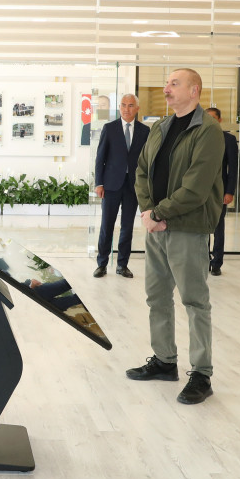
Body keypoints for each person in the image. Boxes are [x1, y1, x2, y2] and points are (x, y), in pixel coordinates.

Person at [129, 68, 225, 405]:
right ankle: (164, 361)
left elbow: (196, 187)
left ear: (194, 90)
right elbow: (142, 171)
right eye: (167, 83)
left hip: (187, 227)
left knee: (194, 301)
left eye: (174, 83)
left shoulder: (208, 131)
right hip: (156, 227)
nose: (166, 89)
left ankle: (201, 373)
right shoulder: (160, 127)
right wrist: (149, 212)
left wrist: (158, 214)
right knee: (156, 297)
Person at [92, 94, 149, 279]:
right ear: (119, 107)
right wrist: (99, 183)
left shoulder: (144, 131)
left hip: (133, 186)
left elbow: (147, 161)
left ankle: (122, 265)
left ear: (137, 108)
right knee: (106, 225)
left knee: (127, 227)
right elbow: (100, 158)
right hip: (110, 185)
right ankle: (102, 264)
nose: (126, 109)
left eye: (131, 105)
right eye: (123, 105)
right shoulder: (109, 128)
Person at [205, 107, 238, 276]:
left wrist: (230, 191)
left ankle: (216, 262)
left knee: (218, 227)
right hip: (201, 191)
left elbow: (233, 169)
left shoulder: (229, 140)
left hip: (220, 191)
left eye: (213, 117)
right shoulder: (198, 137)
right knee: (202, 227)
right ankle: (203, 260)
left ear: (219, 120)